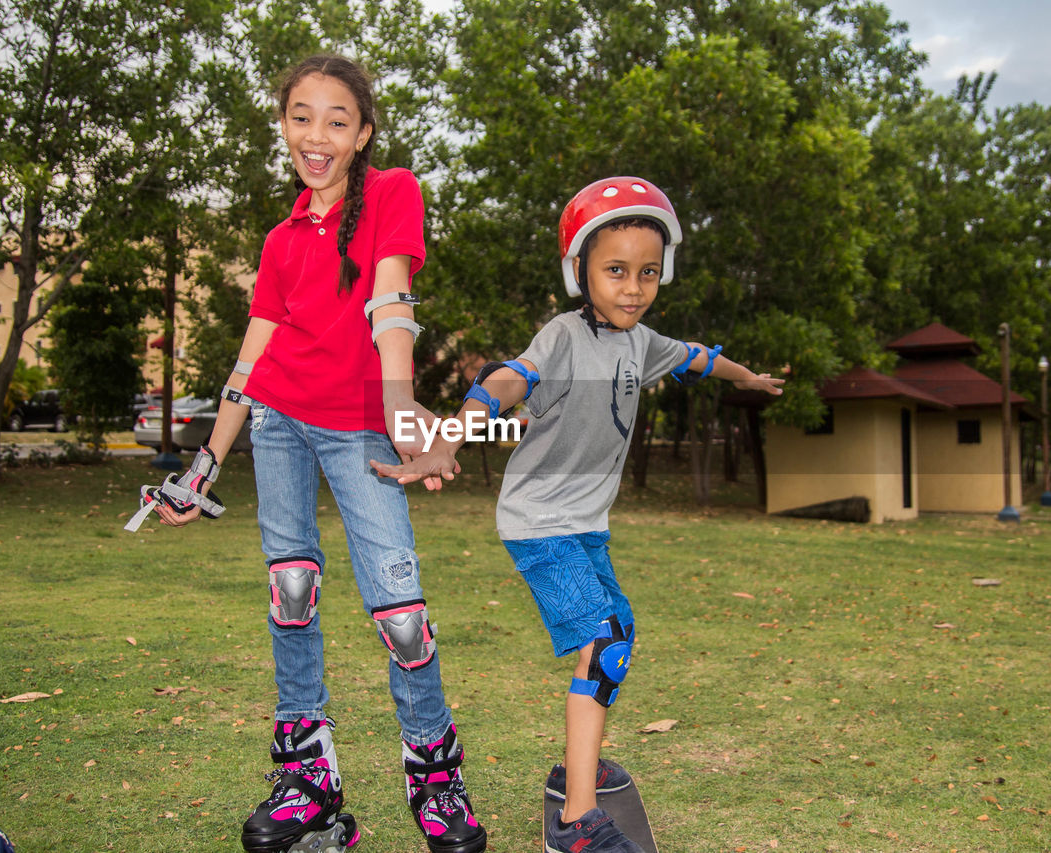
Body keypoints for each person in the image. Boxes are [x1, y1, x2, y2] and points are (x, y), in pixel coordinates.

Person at [371, 176, 785, 853]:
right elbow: (508, 378)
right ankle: (576, 823)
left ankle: (577, 773)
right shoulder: (564, 336)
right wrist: (452, 433)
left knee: (615, 646)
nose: (632, 286)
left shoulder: (640, 342)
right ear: (581, 270)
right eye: (615, 270)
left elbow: (698, 359)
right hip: (540, 523)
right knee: (604, 641)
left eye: (648, 272)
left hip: (585, 526)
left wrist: (748, 377)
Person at [143, 54, 485, 853]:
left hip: (360, 426)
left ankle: (436, 774)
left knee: (401, 614)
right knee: (290, 589)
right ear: (284, 125)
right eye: (302, 116)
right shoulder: (281, 238)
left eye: (337, 120)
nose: (317, 135)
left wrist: (401, 410)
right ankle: (308, 776)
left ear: (363, 134)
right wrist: (202, 466)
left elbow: (391, 299)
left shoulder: (392, 192)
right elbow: (250, 359)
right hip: (278, 423)